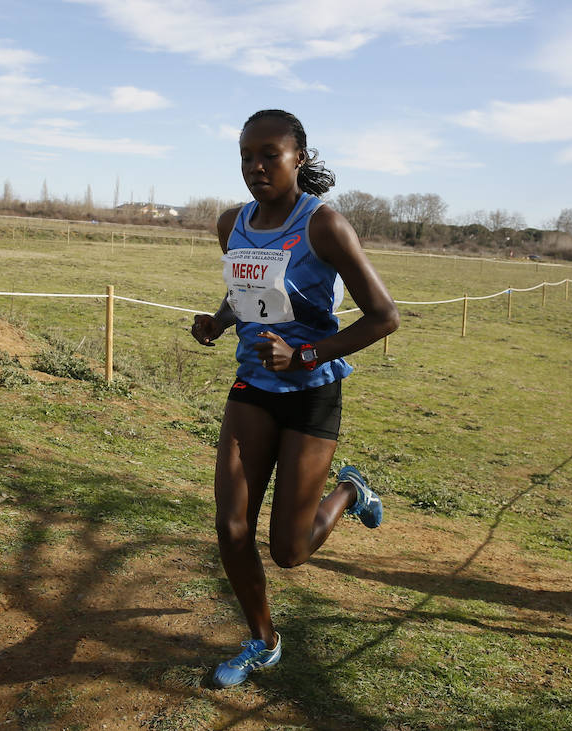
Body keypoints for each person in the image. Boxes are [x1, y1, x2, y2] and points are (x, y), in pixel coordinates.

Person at [190, 109, 399, 689]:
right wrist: (219, 319)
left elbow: (384, 318)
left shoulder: (324, 225)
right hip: (252, 388)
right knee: (232, 528)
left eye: (268, 155)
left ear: (298, 158)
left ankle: (350, 492)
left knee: (289, 551)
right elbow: (249, 293)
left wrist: (306, 355)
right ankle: (262, 641)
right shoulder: (231, 223)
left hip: (311, 392)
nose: (255, 166)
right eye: (246, 156)